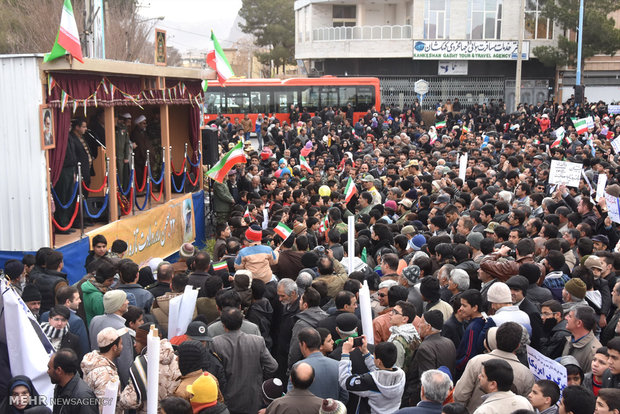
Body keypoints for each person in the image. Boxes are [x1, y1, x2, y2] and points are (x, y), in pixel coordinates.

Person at [453, 322, 535, 413]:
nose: (480, 377)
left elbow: (460, 395)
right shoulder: (526, 374)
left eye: (483, 376)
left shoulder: (476, 361)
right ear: (518, 346)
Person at [211, 307, 278, 414]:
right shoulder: (257, 341)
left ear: (223, 325)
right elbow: (273, 366)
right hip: (253, 396)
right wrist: (260, 378)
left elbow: (214, 371)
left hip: (228, 397)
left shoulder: (216, 343)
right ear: (241, 322)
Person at [338, 336, 406, 413]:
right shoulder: (401, 375)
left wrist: (345, 353)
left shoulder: (370, 381)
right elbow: (381, 370)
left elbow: (344, 381)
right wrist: (365, 352)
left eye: (374, 356)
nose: (373, 358)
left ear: (379, 361)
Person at [404, 310, 456, 407]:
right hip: (445, 395)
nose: (418, 324)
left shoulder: (425, 348)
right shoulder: (449, 342)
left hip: (430, 400)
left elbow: (426, 380)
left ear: (428, 327)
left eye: (422, 322)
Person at [88, 290, 133, 387]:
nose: (128, 302)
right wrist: (129, 386)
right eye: (125, 300)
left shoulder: (95, 320)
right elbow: (125, 363)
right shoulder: (121, 329)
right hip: (113, 381)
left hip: (95, 374)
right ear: (119, 306)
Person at [289, 327, 347, 402]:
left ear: (303, 344)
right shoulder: (338, 365)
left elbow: (291, 396)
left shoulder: (298, 367)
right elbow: (344, 396)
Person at [80, 327, 125, 410]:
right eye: (121, 344)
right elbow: (104, 408)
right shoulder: (105, 375)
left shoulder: (93, 361)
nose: (122, 347)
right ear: (114, 347)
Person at [40, 286, 89, 354]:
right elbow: (84, 348)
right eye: (77, 299)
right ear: (68, 302)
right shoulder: (77, 321)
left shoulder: (44, 315)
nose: (80, 301)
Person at [47, 349, 99, 414]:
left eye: (49, 368)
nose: (47, 372)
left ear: (59, 370)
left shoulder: (84, 397)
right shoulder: (60, 387)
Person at [562, 305, 602, 373]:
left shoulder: (593, 352)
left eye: (570, 316)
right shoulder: (570, 339)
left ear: (579, 323)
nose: (566, 318)